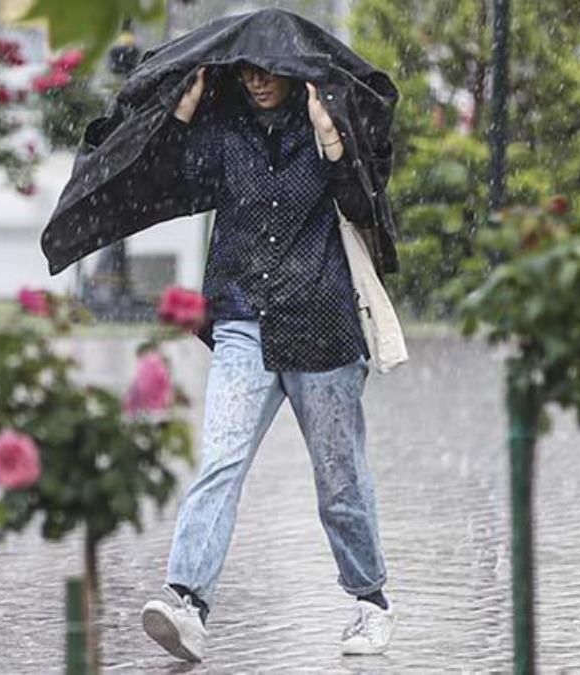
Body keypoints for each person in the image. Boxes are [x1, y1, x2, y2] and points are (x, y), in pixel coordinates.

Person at [138, 62, 396, 663]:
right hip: (242, 322)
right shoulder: (224, 129)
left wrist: (329, 136)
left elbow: (364, 205)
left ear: (293, 73)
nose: (257, 83)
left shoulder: (325, 124)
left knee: (340, 479)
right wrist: (185, 108)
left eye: (269, 73)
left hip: (323, 325)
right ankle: (186, 601)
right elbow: (175, 185)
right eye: (247, 72)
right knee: (220, 460)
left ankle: (371, 600)